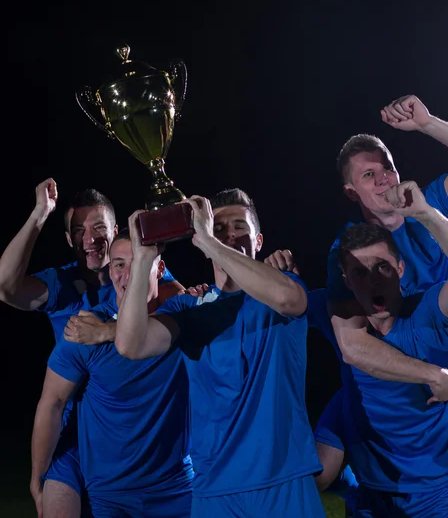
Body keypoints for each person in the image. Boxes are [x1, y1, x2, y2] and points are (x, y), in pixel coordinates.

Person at [115, 189, 326, 518]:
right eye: (219, 226)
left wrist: (212, 242)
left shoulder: (280, 287)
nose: (229, 234)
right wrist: (143, 259)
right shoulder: (188, 307)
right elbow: (130, 344)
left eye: (240, 227)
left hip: (283, 480)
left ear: (258, 241)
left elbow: (291, 301)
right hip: (214, 490)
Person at [0, 179, 181, 516]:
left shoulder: (141, 274)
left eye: (99, 227)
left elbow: (182, 314)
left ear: (115, 230)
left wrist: (107, 331)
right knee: (54, 505)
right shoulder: (63, 283)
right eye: (78, 230)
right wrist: (40, 214)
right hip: (71, 431)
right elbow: (6, 287)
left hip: (124, 431)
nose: (90, 239)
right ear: (68, 239)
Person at [32, 228, 193, 518]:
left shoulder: (184, 315)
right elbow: (52, 402)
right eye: (119, 264)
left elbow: (236, 302)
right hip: (109, 495)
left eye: (140, 262)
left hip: (177, 490)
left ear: (160, 270)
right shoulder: (83, 330)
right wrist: (37, 478)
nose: (128, 274)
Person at [314, 181, 448, 516]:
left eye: (383, 267)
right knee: (312, 477)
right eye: (359, 272)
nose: (373, 279)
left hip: (437, 493)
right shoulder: (338, 317)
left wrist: (427, 215)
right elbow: (279, 296)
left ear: (401, 269)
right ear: (346, 281)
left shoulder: (428, 312)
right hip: (373, 498)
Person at [327, 94, 448, 375]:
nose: (384, 178)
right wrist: (436, 376)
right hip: (423, 375)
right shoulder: (348, 248)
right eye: (369, 175)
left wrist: (428, 124)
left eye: (388, 169)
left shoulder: (430, 200)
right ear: (351, 192)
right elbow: (352, 346)